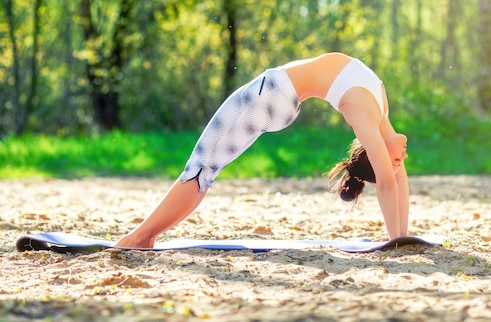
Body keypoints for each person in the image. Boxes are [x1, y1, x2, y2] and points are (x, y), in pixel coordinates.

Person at [115, 52, 409, 248]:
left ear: (376, 151)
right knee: (204, 171)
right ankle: (147, 236)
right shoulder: (380, 113)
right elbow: (397, 180)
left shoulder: (365, 117)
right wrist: (402, 237)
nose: (404, 158)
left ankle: (140, 237)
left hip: (270, 95)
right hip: (277, 97)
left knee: (199, 169)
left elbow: (387, 182)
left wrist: (395, 241)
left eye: (395, 160)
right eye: (399, 160)